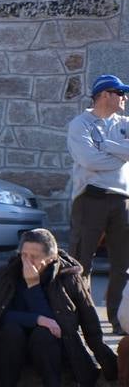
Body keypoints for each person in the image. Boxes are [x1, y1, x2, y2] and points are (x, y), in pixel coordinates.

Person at [0, 228, 115, 387]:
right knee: (11, 330)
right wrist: (37, 319)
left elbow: (86, 324)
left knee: (44, 333)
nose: (26, 261)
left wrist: (108, 363)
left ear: (50, 259)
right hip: (11, 348)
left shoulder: (69, 278)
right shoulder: (4, 275)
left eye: (33, 257)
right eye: (23, 255)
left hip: (53, 349)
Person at [65, 73, 129, 332]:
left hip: (123, 200)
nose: (124, 98)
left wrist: (105, 145)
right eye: (120, 93)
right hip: (90, 198)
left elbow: (99, 156)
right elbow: (89, 160)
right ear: (104, 95)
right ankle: (82, 318)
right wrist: (122, 155)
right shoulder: (80, 124)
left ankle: (117, 319)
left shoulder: (125, 123)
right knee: (81, 262)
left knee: (123, 264)